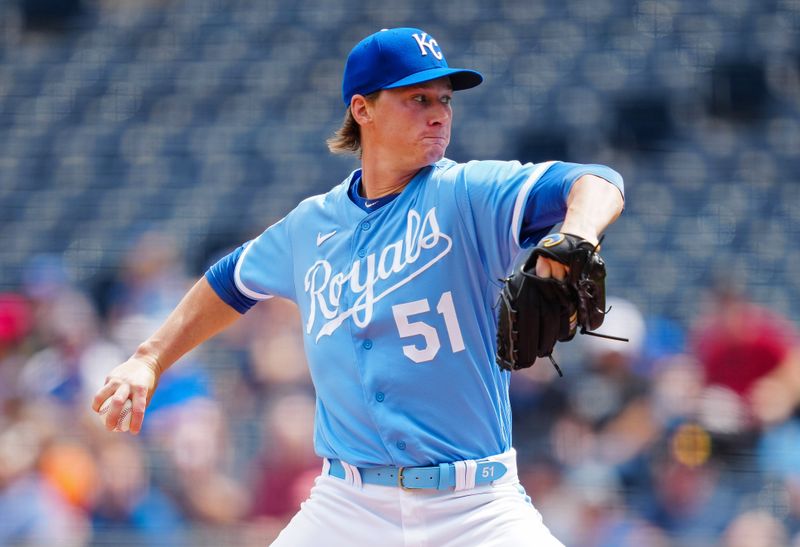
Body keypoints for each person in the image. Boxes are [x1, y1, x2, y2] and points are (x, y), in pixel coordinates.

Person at [93, 27, 625, 545]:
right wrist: (150, 357)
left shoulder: (467, 193)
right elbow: (228, 282)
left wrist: (576, 234)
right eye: (418, 98)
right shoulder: (311, 226)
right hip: (348, 504)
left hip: (476, 506)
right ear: (362, 109)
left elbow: (598, 180)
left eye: (445, 98)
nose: (439, 112)